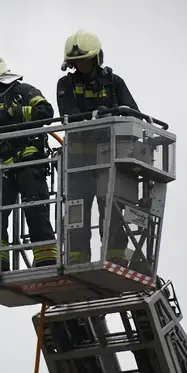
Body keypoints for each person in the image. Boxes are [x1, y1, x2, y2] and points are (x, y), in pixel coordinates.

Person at [0, 53, 57, 271]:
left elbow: (45, 112)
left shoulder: (22, 91)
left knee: (34, 207)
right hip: (2, 166)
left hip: (29, 159)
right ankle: (0, 261)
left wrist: (12, 112)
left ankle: (46, 258)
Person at [56, 30, 140, 267]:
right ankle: (77, 259)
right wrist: (98, 118)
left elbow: (131, 112)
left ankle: (115, 255)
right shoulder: (65, 85)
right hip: (78, 162)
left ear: (95, 58)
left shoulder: (114, 83)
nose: (80, 65)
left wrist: (110, 114)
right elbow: (70, 115)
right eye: (76, 62)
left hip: (110, 158)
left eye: (84, 60)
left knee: (112, 206)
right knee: (77, 212)